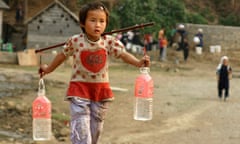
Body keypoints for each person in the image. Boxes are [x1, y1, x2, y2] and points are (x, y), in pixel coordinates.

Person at [39, 2, 150, 144]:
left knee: (95, 130)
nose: (98, 25)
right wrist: (48, 70)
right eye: (93, 20)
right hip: (79, 89)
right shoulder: (75, 41)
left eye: (102, 21)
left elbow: (123, 54)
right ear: (82, 23)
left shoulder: (109, 42)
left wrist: (138, 63)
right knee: (81, 128)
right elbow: (62, 56)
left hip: (100, 91)